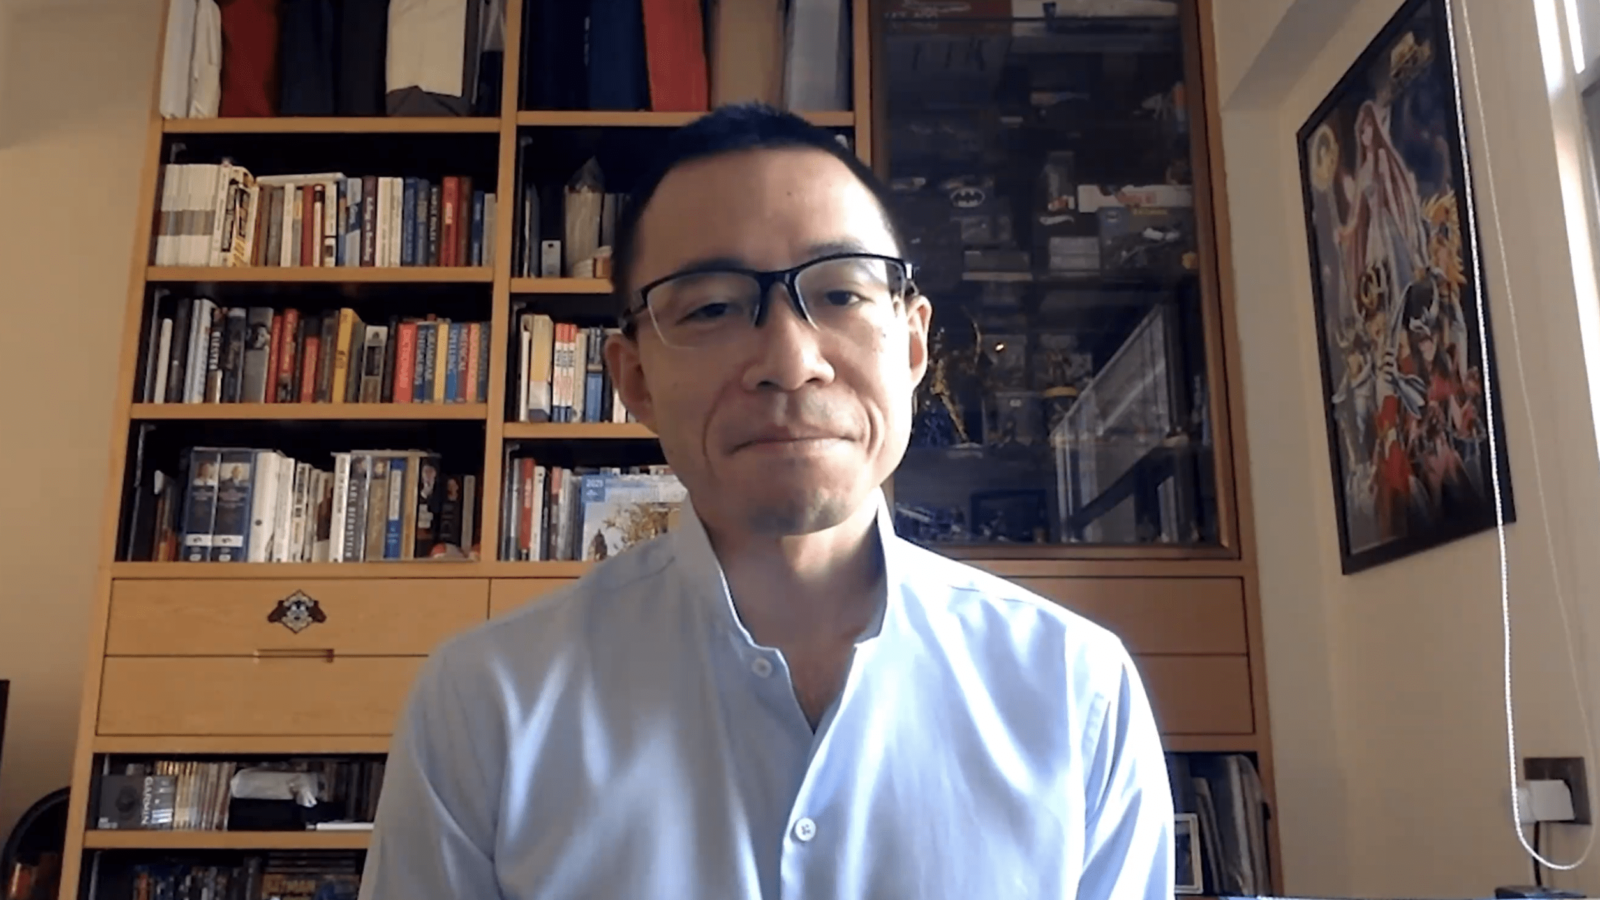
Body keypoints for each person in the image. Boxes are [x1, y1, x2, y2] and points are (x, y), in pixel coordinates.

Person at [359, 103, 1173, 899]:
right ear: (634, 378)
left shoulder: (1073, 688)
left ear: (915, 342)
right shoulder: (486, 701)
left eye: (843, 295)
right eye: (712, 307)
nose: (790, 361)